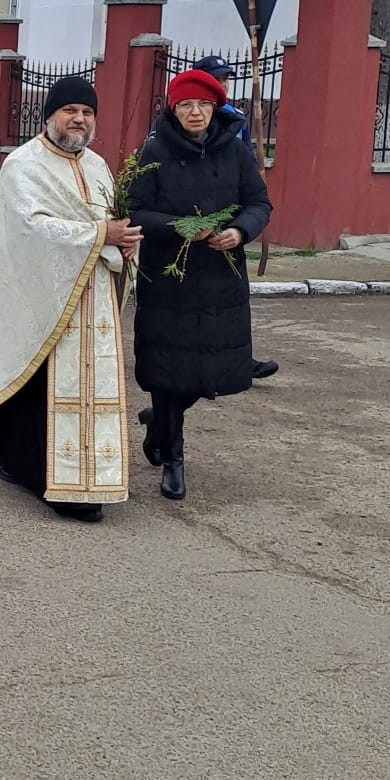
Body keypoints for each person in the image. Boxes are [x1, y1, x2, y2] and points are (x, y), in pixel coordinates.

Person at [0, 76, 139, 520]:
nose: (79, 119)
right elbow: (29, 229)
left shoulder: (98, 166)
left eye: (87, 112)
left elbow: (111, 221)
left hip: (91, 293)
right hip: (35, 295)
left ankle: (87, 472)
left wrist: (127, 241)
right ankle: (43, 475)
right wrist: (102, 234)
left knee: (85, 383)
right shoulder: (23, 165)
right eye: (69, 110)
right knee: (37, 381)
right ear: (49, 115)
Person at [127, 67, 272, 502]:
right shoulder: (154, 151)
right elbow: (135, 210)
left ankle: (158, 421)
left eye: (204, 104)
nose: (195, 112)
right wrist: (181, 227)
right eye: (187, 105)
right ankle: (173, 459)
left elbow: (258, 202)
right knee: (169, 372)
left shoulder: (235, 151)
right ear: (174, 109)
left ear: (215, 107)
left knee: (207, 372)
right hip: (169, 280)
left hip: (220, 281)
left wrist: (240, 231)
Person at [194, 53, 279, 382]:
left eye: (225, 79)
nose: (223, 84)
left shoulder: (234, 118)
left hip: (228, 219)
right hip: (192, 221)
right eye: (216, 78)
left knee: (232, 298)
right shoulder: (179, 117)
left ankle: (240, 361)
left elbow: (244, 169)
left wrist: (243, 219)